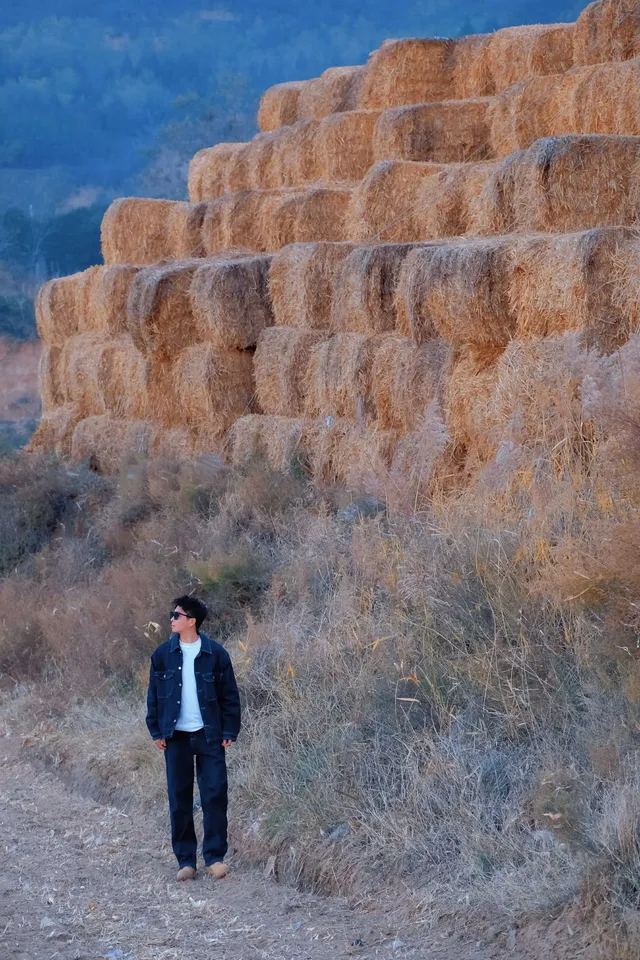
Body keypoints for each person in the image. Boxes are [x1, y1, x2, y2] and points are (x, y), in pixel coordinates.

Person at [146, 595, 241, 881]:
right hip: (175, 737)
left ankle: (215, 857)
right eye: (172, 614)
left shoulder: (216, 654)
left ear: (192, 621)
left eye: (176, 615)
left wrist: (229, 730)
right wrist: (156, 730)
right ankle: (186, 861)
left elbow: (229, 695)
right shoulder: (162, 655)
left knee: (215, 795)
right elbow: (154, 697)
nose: (171, 619)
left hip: (209, 735)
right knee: (179, 798)